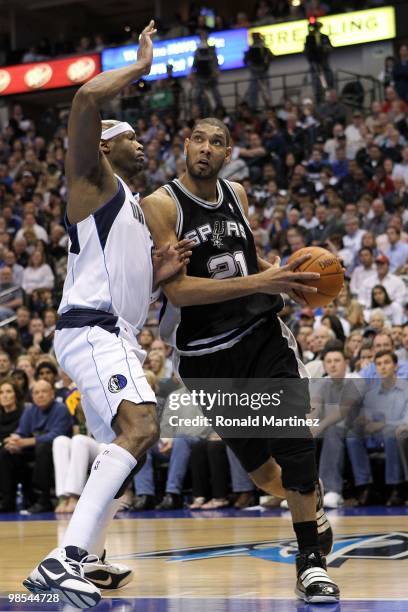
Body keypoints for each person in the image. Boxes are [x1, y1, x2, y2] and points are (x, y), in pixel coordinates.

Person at [24, 21, 192, 608]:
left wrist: (159, 274)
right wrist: (141, 66)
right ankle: (64, 561)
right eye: (132, 135)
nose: (143, 143)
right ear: (104, 145)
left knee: (121, 453)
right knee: (143, 428)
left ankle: (88, 559)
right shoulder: (92, 183)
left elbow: (134, 294)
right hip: (91, 330)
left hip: (108, 329)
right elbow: (85, 98)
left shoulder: (134, 213)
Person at [142, 117, 339, 603]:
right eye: (199, 140)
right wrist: (261, 281)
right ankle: (308, 505)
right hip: (206, 357)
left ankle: (310, 562)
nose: (206, 149)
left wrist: (284, 275)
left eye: (217, 142)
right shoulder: (161, 205)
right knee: (263, 473)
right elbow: (181, 292)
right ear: (185, 145)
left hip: (262, 333)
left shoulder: (238, 195)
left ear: (228, 153)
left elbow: (248, 264)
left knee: (293, 439)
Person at [0, 380, 72, 513]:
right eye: (36, 392)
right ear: (32, 396)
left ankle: (43, 500)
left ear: (52, 394)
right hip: (33, 451)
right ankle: (6, 502)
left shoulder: (61, 409)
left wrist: (26, 442)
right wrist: (14, 441)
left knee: (43, 447)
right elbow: (21, 432)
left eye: (44, 391)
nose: (40, 395)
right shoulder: (30, 410)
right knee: (6, 453)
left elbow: (56, 435)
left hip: (55, 452)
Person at [346, 351, 407, 506]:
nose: (382, 367)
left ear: (396, 366)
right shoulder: (371, 392)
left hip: (398, 433)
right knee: (352, 435)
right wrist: (362, 421)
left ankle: (397, 488)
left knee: (391, 433)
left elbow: (406, 421)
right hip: (375, 435)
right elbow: (367, 416)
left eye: (386, 363)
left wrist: (383, 425)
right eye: (378, 364)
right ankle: (365, 486)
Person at [303, 19, 333, 103]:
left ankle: (329, 94)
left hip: (324, 60)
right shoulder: (309, 38)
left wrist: (325, 49)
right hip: (314, 62)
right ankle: (318, 98)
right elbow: (307, 51)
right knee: (316, 81)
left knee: (328, 78)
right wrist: (311, 60)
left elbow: (330, 48)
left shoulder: (324, 37)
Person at [243, 32, 273, 111]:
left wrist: (266, 66)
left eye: (257, 38)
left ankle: (269, 106)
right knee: (253, 90)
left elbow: (271, 56)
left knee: (266, 90)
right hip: (255, 72)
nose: (256, 40)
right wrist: (251, 67)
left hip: (263, 71)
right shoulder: (251, 49)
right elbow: (245, 60)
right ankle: (253, 107)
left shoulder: (263, 48)